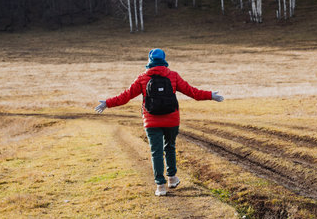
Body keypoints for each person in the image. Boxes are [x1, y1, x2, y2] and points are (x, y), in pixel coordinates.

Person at [95, 48, 224, 196]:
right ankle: (172, 178)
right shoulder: (173, 76)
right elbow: (192, 92)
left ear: (149, 61)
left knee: (156, 152)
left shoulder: (143, 78)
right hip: (172, 119)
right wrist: (211, 95)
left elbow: (126, 96)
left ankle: (160, 186)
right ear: (164, 59)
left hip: (151, 121)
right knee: (170, 147)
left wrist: (107, 103)